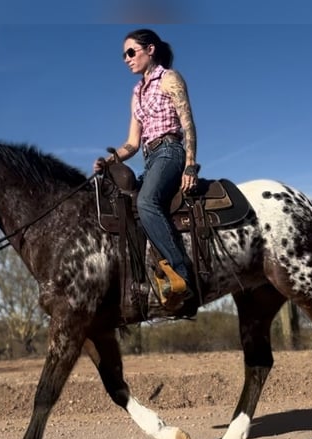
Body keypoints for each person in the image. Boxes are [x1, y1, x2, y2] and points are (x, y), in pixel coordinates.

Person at [94, 28, 200, 312]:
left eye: (131, 52)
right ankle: (144, 281)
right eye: (123, 55)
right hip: (149, 157)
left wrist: (191, 165)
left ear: (150, 49)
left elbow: (188, 124)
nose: (126, 59)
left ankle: (183, 277)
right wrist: (111, 160)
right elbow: (131, 143)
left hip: (170, 150)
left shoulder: (169, 78)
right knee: (127, 206)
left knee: (147, 201)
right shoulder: (136, 92)